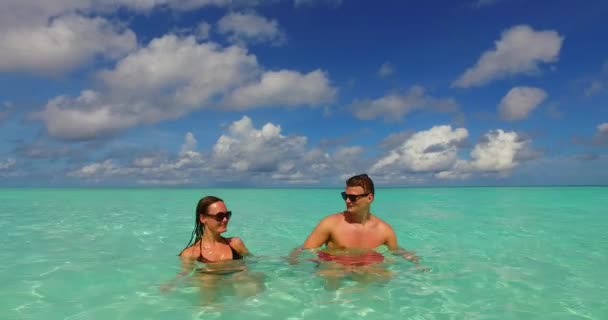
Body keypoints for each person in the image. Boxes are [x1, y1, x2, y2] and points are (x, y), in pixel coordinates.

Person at [289, 174, 424, 288]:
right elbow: (305, 251)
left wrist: (416, 263)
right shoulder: (330, 223)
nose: (347, 201)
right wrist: (330, 264)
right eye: (345, 196)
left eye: (353, 197)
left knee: (384, 275)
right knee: (331, 274)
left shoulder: (384, 230)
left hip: (364, 271)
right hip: (334, 268)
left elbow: (395, 252)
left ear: (369, 198)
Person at [162, 196, 264, 299]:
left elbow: (253, 260)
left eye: (227, 215)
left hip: (243, 292)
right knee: (207, 279)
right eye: (220, 216)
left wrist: (276, 259)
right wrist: (170, 285)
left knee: (246, 276)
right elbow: (183, 274)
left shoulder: (235, 244)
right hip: (213, 296)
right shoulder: (191, 254)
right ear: (203, 218)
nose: (225, 219)